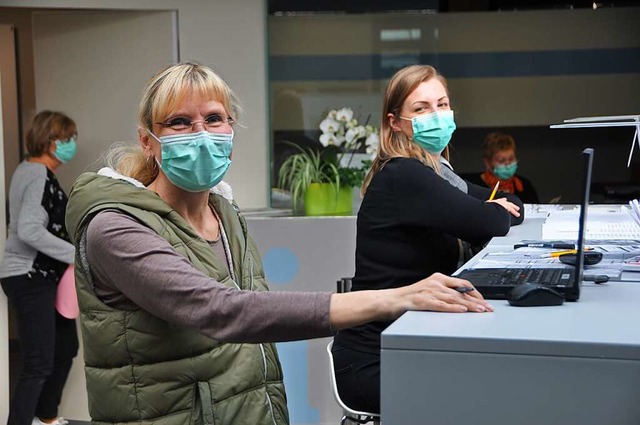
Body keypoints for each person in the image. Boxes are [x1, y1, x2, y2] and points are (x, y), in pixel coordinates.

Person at [63, 61, 493, 425]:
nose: (201, 133)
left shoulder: (223, 212)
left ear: (231, 129)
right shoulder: (114, 227)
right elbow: (222, 310)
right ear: (147, 141)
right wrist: (394, 298)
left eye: (214, 119)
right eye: (179, 122)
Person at [331, 64, 525, 414]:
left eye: (442, 104)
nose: (435, 115)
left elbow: (509, 202)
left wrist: (497, 206)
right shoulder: (404, 175)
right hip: (376, 359)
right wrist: (495, 208)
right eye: (421, 109)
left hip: (411, 342)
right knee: (492, 398)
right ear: (395, 123)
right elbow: (488, 219)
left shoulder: (437, 172)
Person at [0, 111, 79, 425]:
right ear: (50, 141)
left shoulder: (35, 171)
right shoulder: (35, 173)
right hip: (29, 275)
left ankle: (45, 417)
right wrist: (76, 254)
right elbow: (29, 230)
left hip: (43, 276)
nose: (73, 143)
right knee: (38, 362)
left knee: (65, 348)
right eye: (68, 138)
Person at [465, 131, 540, 204]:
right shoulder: (474, 186)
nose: (507, 164)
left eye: (511, 159)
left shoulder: (525, 186)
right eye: (501, 161)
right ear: (487, 162)